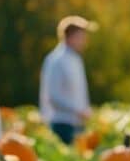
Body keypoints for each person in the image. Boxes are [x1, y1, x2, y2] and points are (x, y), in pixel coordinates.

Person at [39, 15, 97, 144]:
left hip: (78, 124)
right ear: (70, 37)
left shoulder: (76, 60)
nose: (84, 41)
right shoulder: (56, 60)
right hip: (62, 124)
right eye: (81, 37)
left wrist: (85, 110)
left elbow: (80, 92)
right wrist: (78, 110)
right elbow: (53, 96)